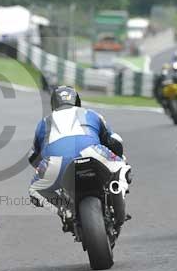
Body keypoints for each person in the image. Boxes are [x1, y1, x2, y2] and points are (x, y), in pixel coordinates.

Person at [27, 86, 126, 220]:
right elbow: (115, 140)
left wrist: (44, 168)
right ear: (77, 101)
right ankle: (117, 189)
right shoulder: (91, 113)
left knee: (35, 189)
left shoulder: (43, 123)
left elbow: (33, 156)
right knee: (122, 166)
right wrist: (117, 157)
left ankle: (65, 210)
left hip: (56, 162)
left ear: (53, 104)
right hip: (93, 153)